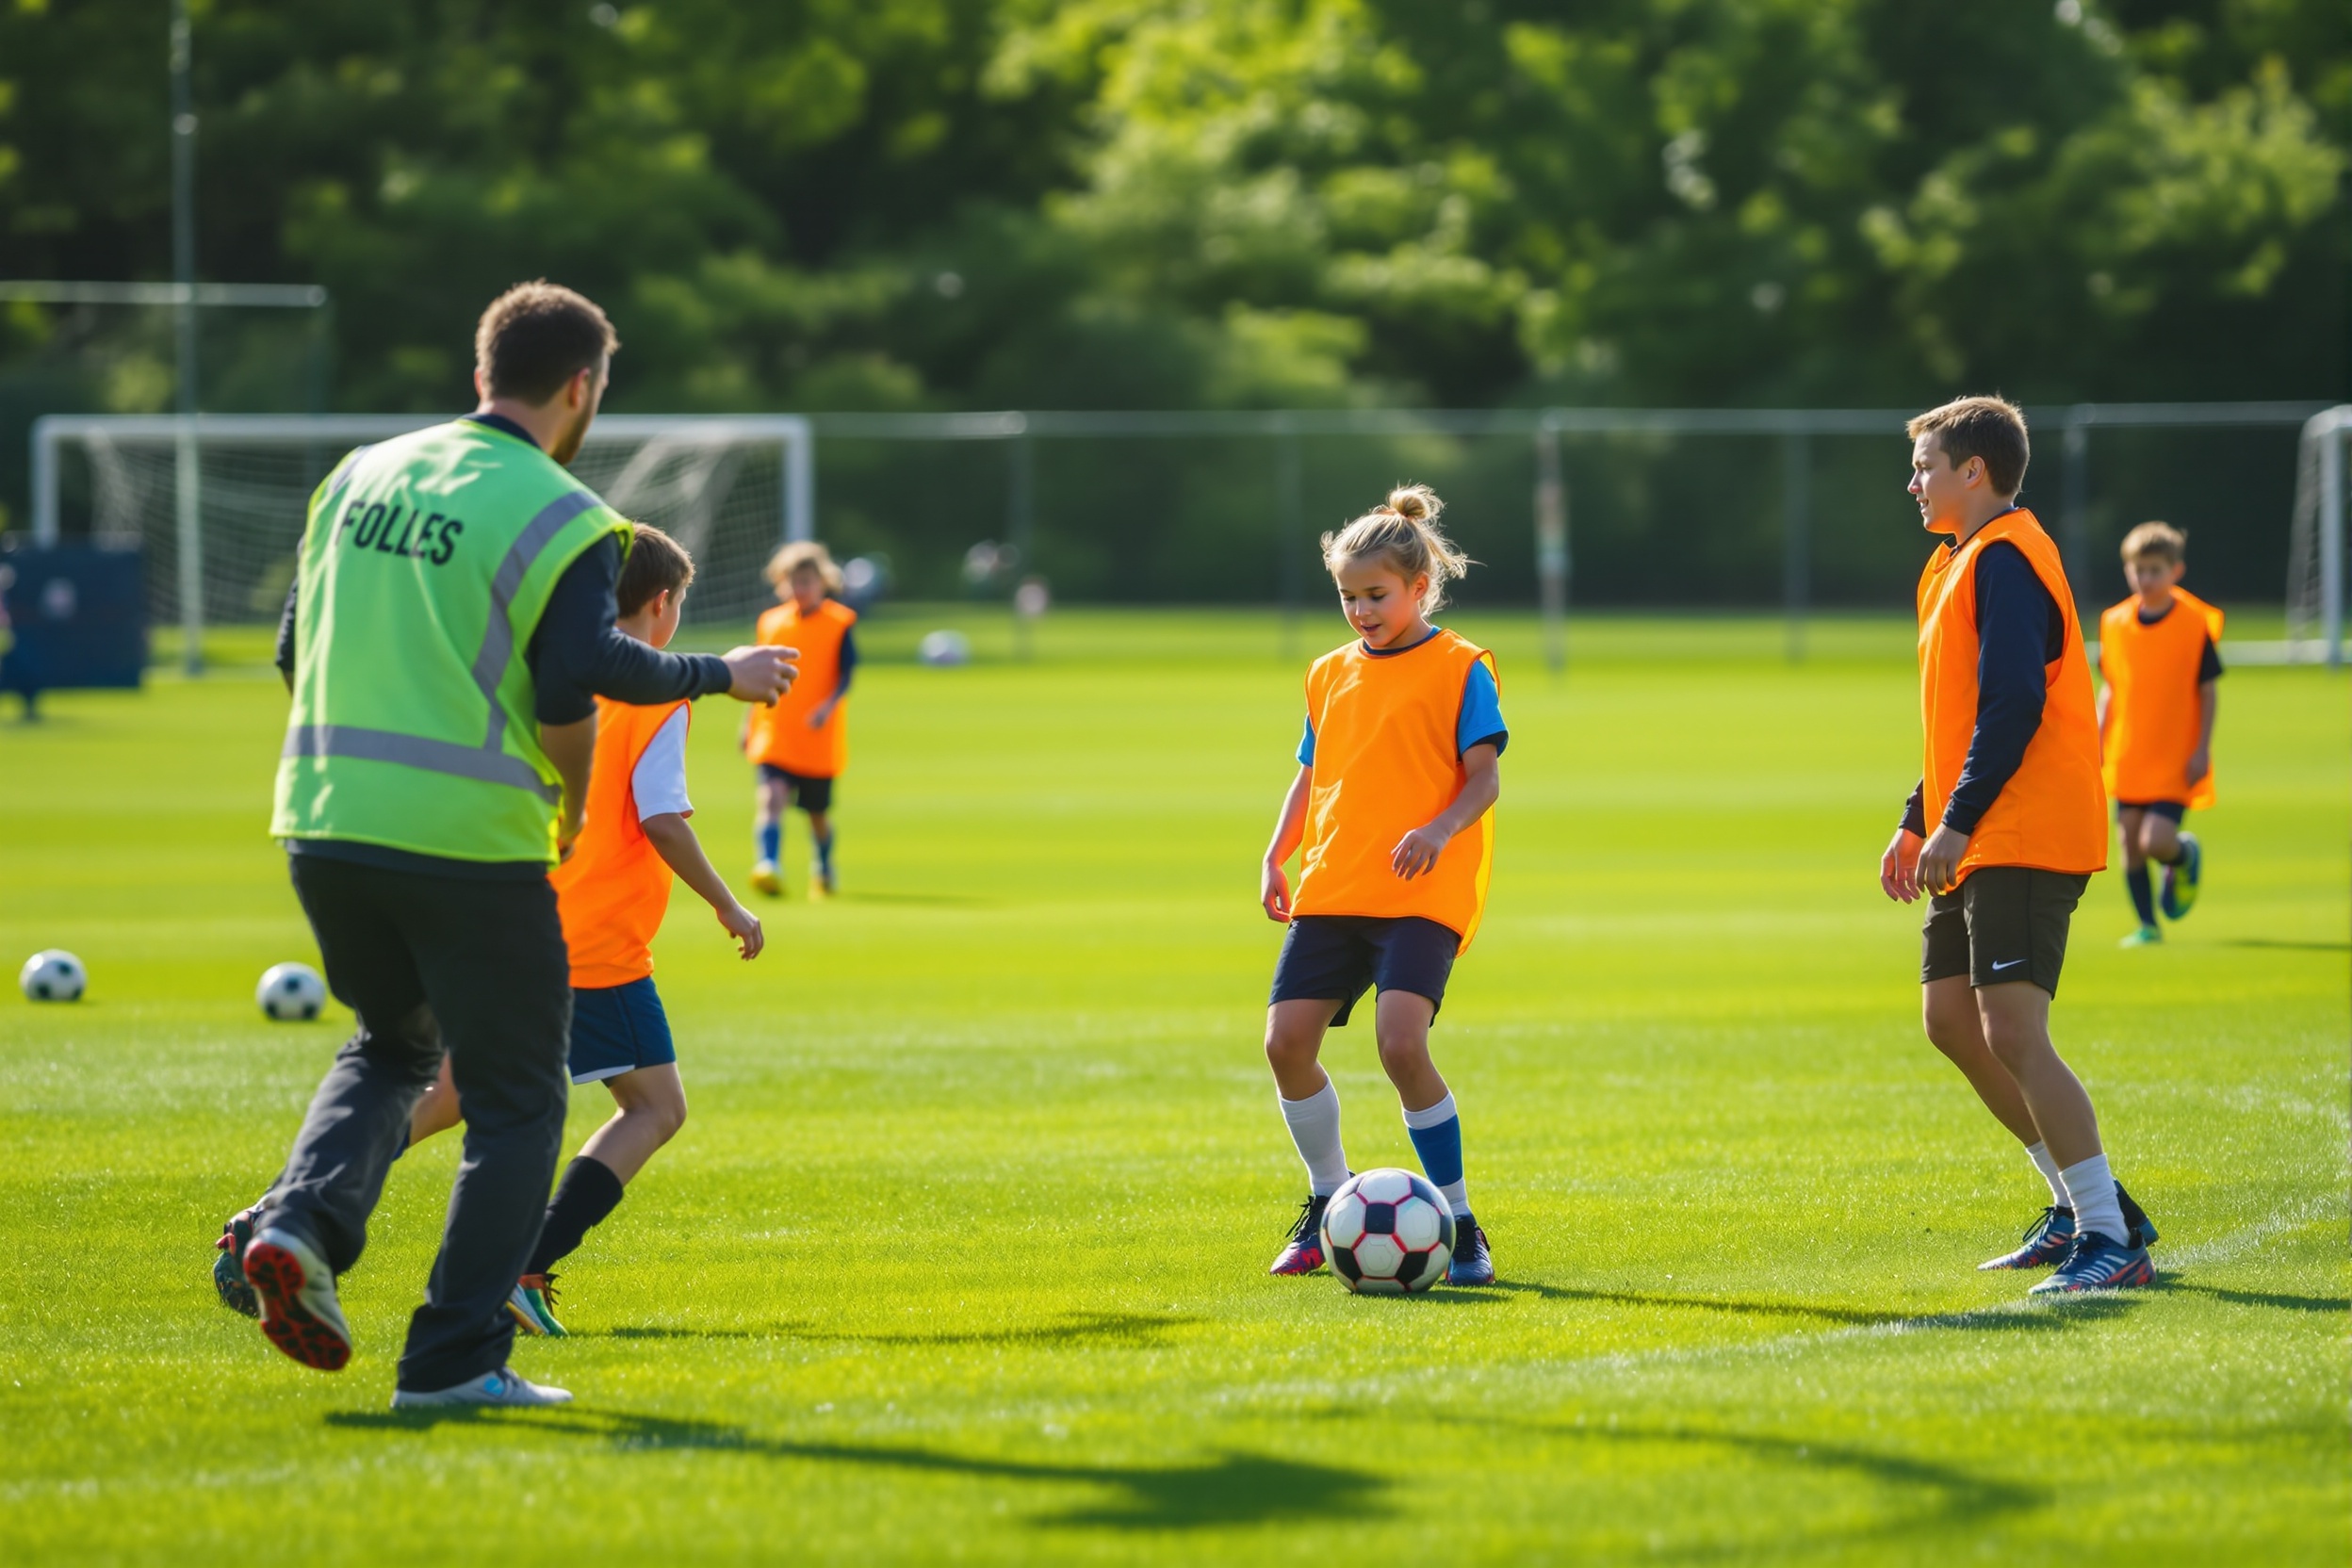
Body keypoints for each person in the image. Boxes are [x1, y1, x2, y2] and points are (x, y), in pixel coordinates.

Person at [226, 281, 795, 1408]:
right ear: (581, 387)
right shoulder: (566, 514)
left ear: (481, 366)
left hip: (325, 814)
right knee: (525, 1098)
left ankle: (296, 1220)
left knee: (392, 1048)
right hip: (468, 835)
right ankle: (452, 1360)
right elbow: (589, 670)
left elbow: (295, 643)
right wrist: (719, 676)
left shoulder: (358, 474)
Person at [223, 524, 763, 1340]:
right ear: (661, 605)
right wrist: (728, 903)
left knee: (449, 1095)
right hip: (595, 948)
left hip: (503, 916)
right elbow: (660, 817)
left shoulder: (550, 672)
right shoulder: (659, 696)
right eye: (679, 603)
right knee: (653, 1106)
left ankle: (284, 1210)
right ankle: (522, 1269)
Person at [1878, 396, 2157, 1294]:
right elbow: (1958, 719)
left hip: (2025, 824)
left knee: (2013, 1028)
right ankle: (2085, 1203)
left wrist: (1954, 822)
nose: (1914, 480)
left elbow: (2012, 706)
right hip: (1978, 822)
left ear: (1976, 472)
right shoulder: (1953, 563)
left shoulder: (2005, 559)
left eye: (1927, 465)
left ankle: (2110, 1240)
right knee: (1952, 1020)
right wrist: (1920, 815)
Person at [1257, 484, 1503, 1288]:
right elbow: (1310, 774)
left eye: (1376, 595)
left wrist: (1436, 831)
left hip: (1420, 892)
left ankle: (1461, 1221)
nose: (1360, 610)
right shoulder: (1327, 674)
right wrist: (1276, 854)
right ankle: (1327, 1199)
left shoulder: (1460, 666)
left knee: (1401, 1044)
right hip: (1333, 884)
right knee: (1285, 1044)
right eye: (1347, 596)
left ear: (1419, 587)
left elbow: (1483, 781)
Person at [2098, 522, 2221, 946]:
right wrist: (2098, 738)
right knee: (2129, 844)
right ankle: (2148, 926)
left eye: (2155, 570)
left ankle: (2184, 856)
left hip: (2174, 755)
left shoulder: (2192, 624)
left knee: (2156, 841)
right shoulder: (2114, 623)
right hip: (2129, 752)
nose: (2145, 578)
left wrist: (2202, 748)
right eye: (2138, 570)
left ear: (2176, 571)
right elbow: (2111, 687)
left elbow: (2207, 692)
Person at [743, 541, 858, 898]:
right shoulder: (771, 622)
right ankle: (768, 864)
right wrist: (747, 723)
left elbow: (846, 674)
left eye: (807, 581)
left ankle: (823, 867)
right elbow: (757, 676)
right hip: (775, 730)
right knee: (771, 797)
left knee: (817, 814)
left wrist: (827, 707)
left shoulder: (839, 623)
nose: (800, 589)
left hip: (816, 737)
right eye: (793, 581)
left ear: (822, 581)